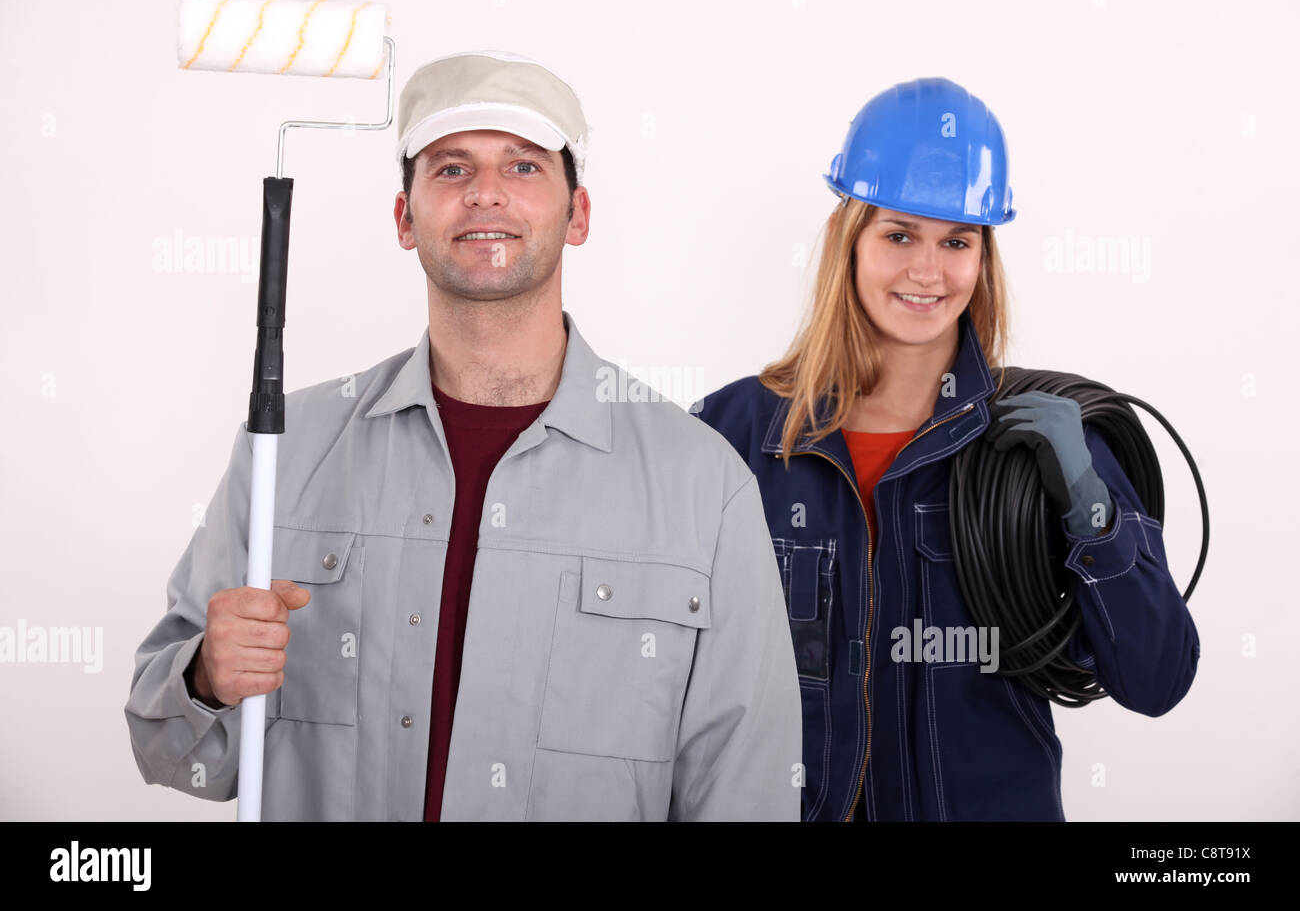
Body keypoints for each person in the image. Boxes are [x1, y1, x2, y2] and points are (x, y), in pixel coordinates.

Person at [125, 50, 802, 821]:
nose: (486, 193)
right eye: (450, 169)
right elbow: (168, 750)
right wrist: (205, 678)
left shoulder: (701, 485)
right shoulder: (287, 448)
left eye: (521, 166)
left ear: (577, 214)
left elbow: (748, 789)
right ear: (405, 218)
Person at [691, 77, 1199, 821]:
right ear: (848, 240)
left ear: (982, 257)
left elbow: (1156, 680)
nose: (928, 271)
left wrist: (1091, 509)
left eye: (956, 241)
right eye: (899, 235)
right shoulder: (737, 433)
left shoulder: (1047, 445)